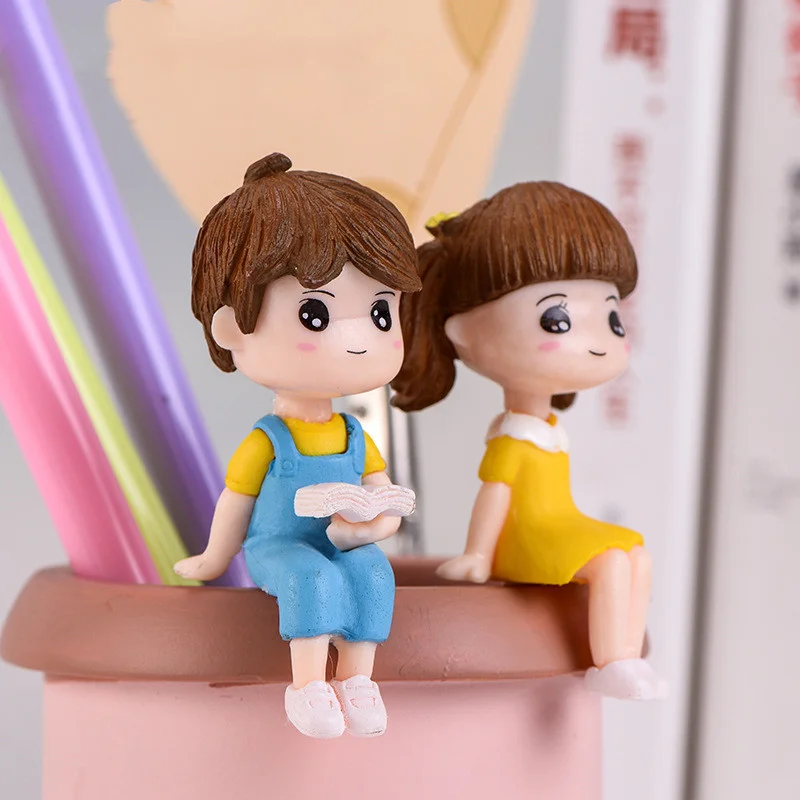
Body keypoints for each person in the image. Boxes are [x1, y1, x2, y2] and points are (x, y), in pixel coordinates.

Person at [175, 152, 421, 736]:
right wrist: (215, 558)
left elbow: (381, 493)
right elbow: (236, 502)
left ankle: (357, 679)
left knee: (373, 574)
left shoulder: (355, 434)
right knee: (311, 579)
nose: (359, 340)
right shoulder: (269, 439)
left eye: (380, 312)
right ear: (233, 329)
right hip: (277, 547)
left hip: (339, 540)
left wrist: (373, 526)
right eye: (316, 314)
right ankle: (308, 686)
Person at [392, 181, 666, 700]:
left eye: (611, 317)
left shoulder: (548, 431)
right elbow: (496, 495)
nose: (597, 342)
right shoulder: (513, 438)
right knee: (611, 562)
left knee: (637, 555)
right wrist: (477, 555)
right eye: (557, 320)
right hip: (522, 543)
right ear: (463, 333)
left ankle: (628, 658)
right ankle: (612, 661)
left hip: (559, 527)